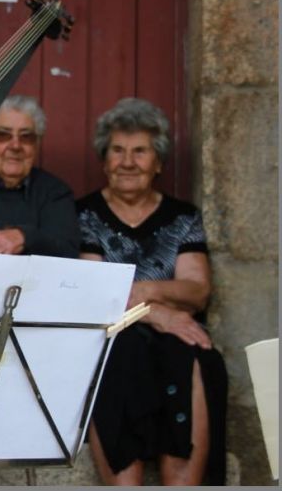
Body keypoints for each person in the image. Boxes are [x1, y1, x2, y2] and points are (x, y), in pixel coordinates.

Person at [76, 97, 227, 485]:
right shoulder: (84, 215)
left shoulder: (182, 217)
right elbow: (93, 291)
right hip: (115, 337)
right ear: (104, 159)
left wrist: (139, 290)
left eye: (140, 151)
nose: (128, 162)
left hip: (174, 341)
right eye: (118, 151)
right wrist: (157, 310)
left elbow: (196, 291)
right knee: (119, 351)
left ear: (158, 162)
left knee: (189, 350)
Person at [0, 95, 79, 259]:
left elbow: (66, 249)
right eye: (3, 135)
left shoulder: (54, 192)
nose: (16, 145)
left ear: (37, 145)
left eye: (26, 137)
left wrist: (25, 236)